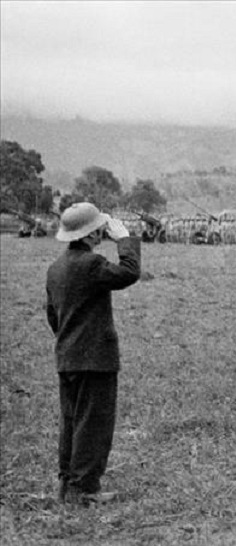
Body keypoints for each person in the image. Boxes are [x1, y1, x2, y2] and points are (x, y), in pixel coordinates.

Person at [46, 202, 141, 506]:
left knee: (72, 421)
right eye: (99, 227)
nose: (103, 230)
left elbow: (52, 316)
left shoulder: (55, 268)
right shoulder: (91, 264)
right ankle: (84, 488)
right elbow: (129, 273)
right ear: (90, 234)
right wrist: (124, 239)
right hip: (95, 358)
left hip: (67, 356)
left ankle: (66, 484)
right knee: (94, 423)